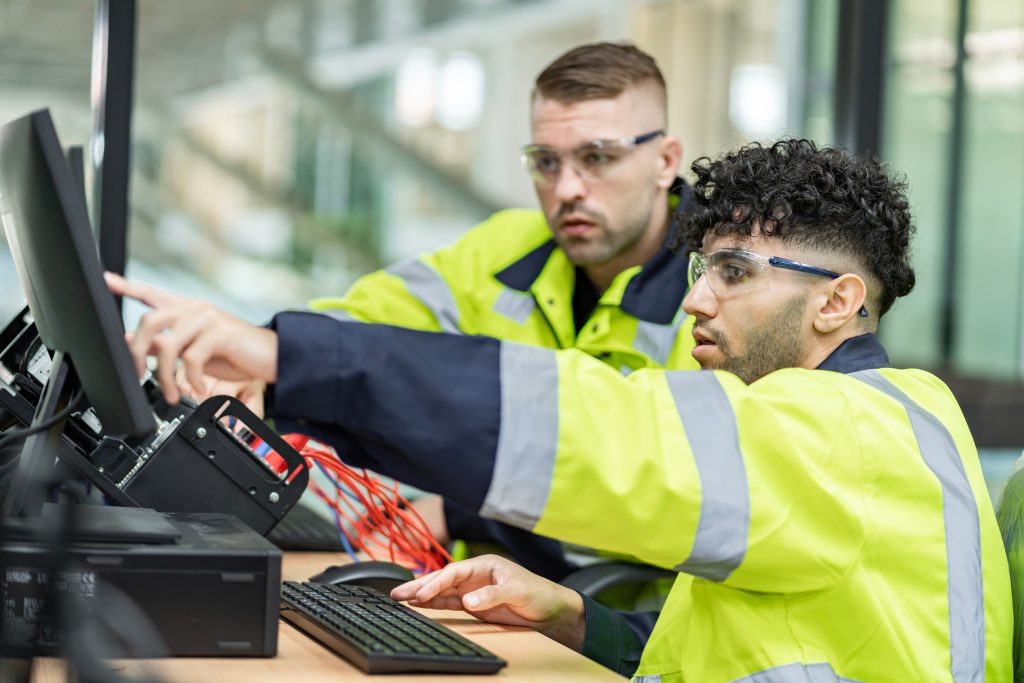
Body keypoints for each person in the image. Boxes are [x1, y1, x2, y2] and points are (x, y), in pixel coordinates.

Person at [107, 139, 1012, 681]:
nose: (697, 301)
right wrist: (568, 616)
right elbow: (735, 652)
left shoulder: (849, 435)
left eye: (734, 273)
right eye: (703, 270)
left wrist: (295, 358)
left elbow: (602, 428)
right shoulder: (822, 430)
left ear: (836, 301)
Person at [208, 41, 697, 581]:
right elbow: (371, 320)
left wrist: (463, 514)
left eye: (597, 157)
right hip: (482, 593)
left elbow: (678, 494)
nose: (566, 189)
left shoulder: (717, 294)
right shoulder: (508, 244)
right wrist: (261, 357)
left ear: (665, 160)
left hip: (620, 631)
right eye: (546, 162)